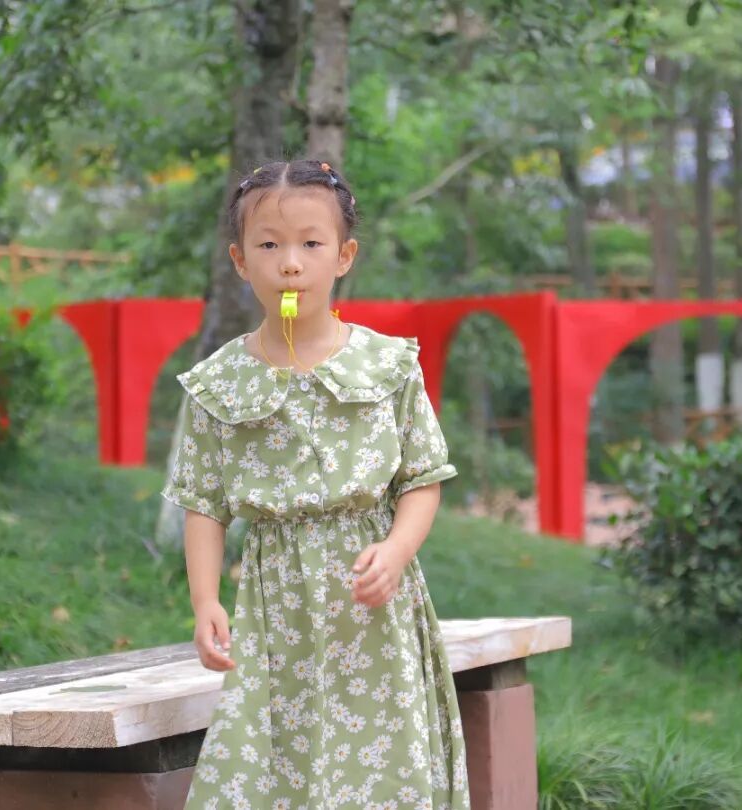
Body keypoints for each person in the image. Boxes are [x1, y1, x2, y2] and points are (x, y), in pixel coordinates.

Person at [161, 158, 470, 809]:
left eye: (310, 244)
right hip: (276, 612)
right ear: (240, 261)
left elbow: (422, 478)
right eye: (269, 246)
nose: (290, 265)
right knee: (270, 768)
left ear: (344, 256)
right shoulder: (219, 383)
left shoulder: (387, 365)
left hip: (372, 612)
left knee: (378, 771)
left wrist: (396, 550)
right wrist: (205, 600)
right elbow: (203, 505)